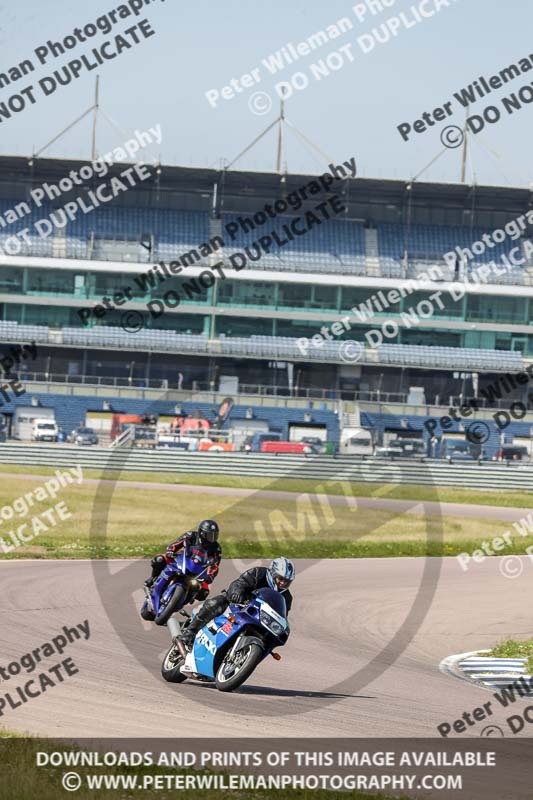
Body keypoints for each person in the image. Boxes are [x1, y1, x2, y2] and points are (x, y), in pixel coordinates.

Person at [175, 557, 295, 655]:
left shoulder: (287, 597)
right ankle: (188, 635)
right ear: (273, 573)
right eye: (280, 578)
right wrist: (236, 593)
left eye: (287, 581)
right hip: (237, 605)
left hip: (259, 620)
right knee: (215, 603)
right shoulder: (258, 573)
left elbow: (282, 615)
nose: (282, 583)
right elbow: (239, 583)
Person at [145, 520, 221, 602]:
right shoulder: (191, 535)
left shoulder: (216, 548)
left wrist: (210, 576)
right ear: (202, 533)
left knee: (204, 593)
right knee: (159, 559)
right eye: (210, 535)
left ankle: (183, 600)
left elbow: (215, 565)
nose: (212, 538)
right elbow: (177, 543)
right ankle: (153, 579)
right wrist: (170, 550)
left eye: (214, 535)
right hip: (181, 559)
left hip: (199, 571)